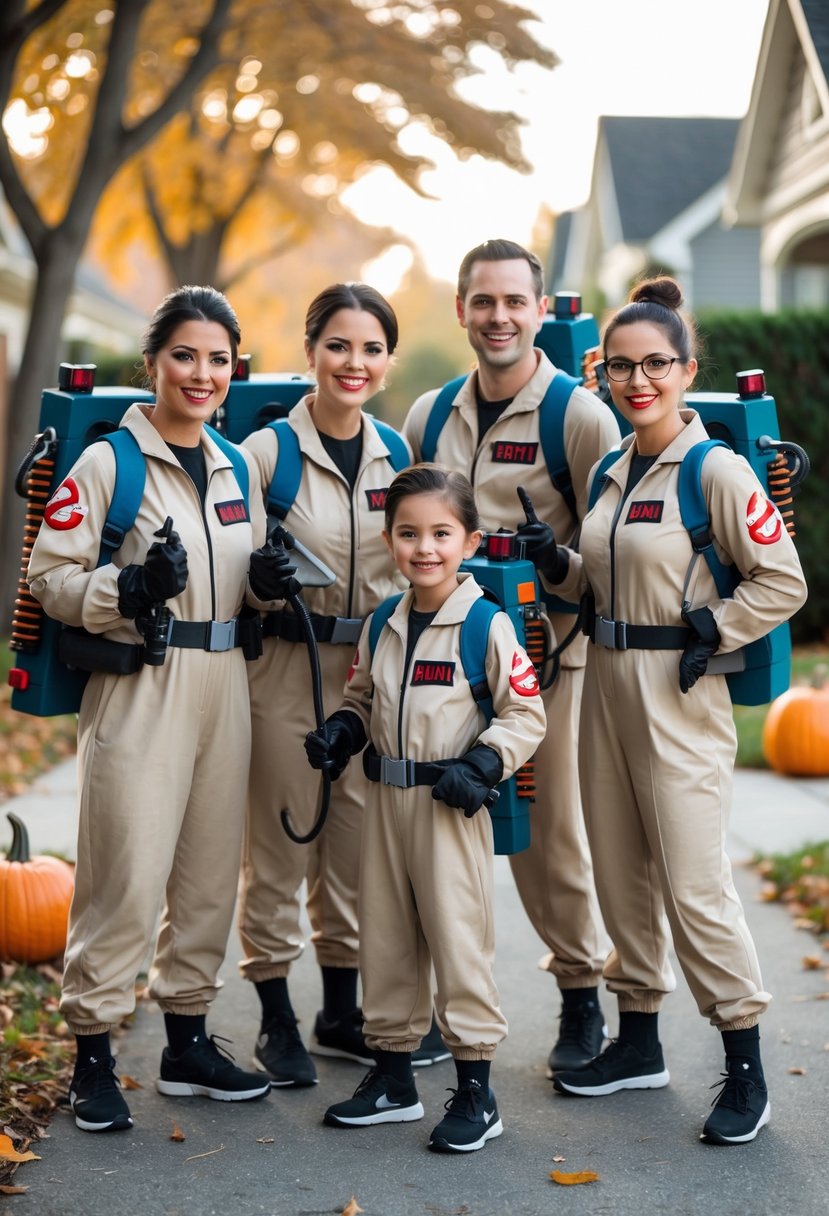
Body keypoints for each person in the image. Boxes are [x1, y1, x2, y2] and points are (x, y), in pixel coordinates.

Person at [26, 285, 295, 1132]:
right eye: (185, 355)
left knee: (209, 875)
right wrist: (130, 587)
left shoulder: (236, 464)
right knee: (126, 873)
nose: (202, 373)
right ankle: (93, 1055)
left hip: (228, 687)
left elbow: (246, 576)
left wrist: (264, 591)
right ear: (152, 362)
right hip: (144, 680)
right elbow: (47, 580)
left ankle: (186, 1039)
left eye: (218, 359)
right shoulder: (109, 464)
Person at [547, 277, 807, 1145]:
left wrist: (717, 625)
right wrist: (557, 566)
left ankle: (744, 1065)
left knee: (693, 885)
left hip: (678, 691)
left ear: (687, 369)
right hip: (603, 687)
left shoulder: (716, 470)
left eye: (656, 363)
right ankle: (639, 1039)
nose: (638, 380)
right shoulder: (611, 469)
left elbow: (784, 580)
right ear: (605, 376)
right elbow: (599, 580)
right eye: (621, 367)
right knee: (619, 870)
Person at [403, 239, 620, 1074]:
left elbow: (612, 567)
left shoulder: (580, 417)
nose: (497, 317)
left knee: (544, 839)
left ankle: (580, 998)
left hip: (544, 662)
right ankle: (426, 1007)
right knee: (425, 834)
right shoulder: (426, 417)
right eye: (482, 302)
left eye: (513, 302)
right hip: (441, 663)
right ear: (460, 310)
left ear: (538, 312)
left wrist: (553, 561)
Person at [237, 283, 449, 1089]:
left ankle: (338, 1011)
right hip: (285, 671)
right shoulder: (265, 455)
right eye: (338, 345)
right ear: (310, 351)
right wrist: (259, 583)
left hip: (371, 679)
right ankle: (274, 1019)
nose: (353, 362)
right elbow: (231, 575)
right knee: (282, 846)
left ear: (387, 361)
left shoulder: (400, 457)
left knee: (355, 856)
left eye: (369, 349)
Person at [305, 463, 547, 1152]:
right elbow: (361, 697)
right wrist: (341, 733)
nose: (425, 548)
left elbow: (525, 715)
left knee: (457, 940)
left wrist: (482, 764)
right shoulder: (384, 620)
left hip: (449, 807)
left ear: (468, 541)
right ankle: (391, 1077)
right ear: (389, 540)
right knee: (383, 937)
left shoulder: (485, 626)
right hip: (383, 802)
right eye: (408, 534)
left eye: (441, 533)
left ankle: (475, 1090)